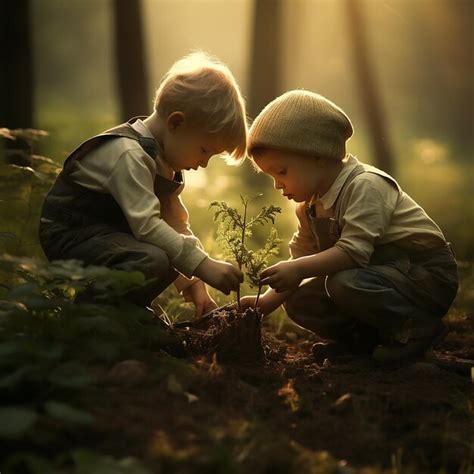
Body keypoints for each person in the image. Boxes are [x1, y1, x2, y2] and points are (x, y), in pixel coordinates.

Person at [240, 90, 458, 364]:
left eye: (281, 171)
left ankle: (416, 329)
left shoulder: (366, 185)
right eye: (270, 175)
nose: (277, 184)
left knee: (344, 283)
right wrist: (265, 303)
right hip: (378, 275)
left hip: (423, 275)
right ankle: (362, 343)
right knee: (299, 298)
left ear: (318, 155)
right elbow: (301, 262)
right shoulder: (309, 206)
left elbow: (353, 253)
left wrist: (297, 269)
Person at [39, 51, 246, 316]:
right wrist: (203, 264)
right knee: (153, 258)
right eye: (205, 150)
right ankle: (88, 315)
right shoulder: (130, 155)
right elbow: (148, 227)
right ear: (176, 123)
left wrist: (195, 283)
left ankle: (127, 312)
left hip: (108, 234)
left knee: (168, 249)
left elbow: (175, 226)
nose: (204, 163)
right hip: (71, 233)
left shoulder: (162, 160)